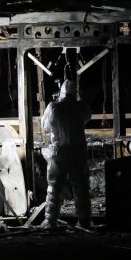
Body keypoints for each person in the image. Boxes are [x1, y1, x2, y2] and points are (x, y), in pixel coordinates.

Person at [40, 79, 93, 229]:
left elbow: (45, 127)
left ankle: (50, 221)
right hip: (78, 150)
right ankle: (84, 222)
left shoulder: (53, 107)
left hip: (59, 151)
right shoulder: (81, 107)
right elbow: (87, 118)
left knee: (54, 188)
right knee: (81, 187)